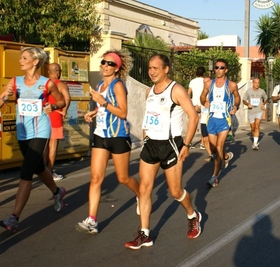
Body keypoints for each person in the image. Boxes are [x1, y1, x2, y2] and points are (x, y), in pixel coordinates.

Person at [124, 54, 201, 250]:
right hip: (151, 145)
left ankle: (193, 215)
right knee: (144, 189)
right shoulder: (149, 91)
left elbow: (193, 117)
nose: (151, 71)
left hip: (171, 145)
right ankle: (145, 234)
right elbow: (149, 115)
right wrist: (145, 135)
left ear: (166, 69)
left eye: (155, 68)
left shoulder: (176, 90)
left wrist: (187, 145)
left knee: (175, 191)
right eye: (150, 68)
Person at [0, 47, 66, 232]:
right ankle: (57, 191)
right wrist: (5, 98)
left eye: (24, 58)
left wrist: (52, 107)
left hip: (41, 130)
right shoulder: (16, 82)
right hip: (23, 131)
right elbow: (1, 98)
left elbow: (61, 101)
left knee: (26, 171)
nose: (20, 60)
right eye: (21, 57)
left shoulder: (47, 84)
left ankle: (14, 218)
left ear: (35, 61)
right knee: (38, 168)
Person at [76, 49, 140, 234]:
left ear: (117, 68)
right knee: (95, 178)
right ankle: (92, 220)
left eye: (110, 63)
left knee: (123, 178)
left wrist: (102, 102)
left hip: (118, 136)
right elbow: (104, 108)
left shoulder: (118, 85)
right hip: (101, 135)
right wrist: (94, 112)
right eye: (104, 62)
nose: (105, 66)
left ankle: (140, 194)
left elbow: (122, 112)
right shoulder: (99, 85)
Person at [200, 59, 241, 187]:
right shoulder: (209, 84)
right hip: (211, 119)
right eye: (216, 67)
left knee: (218, 147)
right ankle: (226, 156)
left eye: (221, 68)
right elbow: (202, 96)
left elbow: (237, 97)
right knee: (213, 149)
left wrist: (236, 106)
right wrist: (204, 102)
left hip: (224, 120)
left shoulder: (232, 85)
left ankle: (214, 177)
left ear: (226, 70)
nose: (218, 70)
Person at [45, 63, 71, 180]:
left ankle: (43, 171)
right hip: (55, 116)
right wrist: (64, 111)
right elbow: (67, 98)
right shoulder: (60, 84)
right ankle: (50, 171)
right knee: (53, 145)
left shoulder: (44, 84)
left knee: (44, 145)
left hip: (44, 116)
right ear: (57, 72)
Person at [242, 77, 267, 150]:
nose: (257, 84)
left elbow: (265, 98)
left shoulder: (262, 91)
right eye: (255, 82)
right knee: (253, 128)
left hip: (259, 110)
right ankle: (255, 138)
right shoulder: (248, 91)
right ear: (253, 83)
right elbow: (243, 100)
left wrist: (263, 103)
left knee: (257, 125)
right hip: (251, 111)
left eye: (258, 83)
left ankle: (255, 143)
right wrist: (247, 104)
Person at [187, 66, 206, 149]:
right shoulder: (205, 82)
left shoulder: (192, 81)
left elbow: (188, 93)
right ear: (204, 73)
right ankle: (202, 143)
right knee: (203, 123)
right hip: (203, 104)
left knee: (192, 124)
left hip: (194, 105)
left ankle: (189, 142)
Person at [200, 76, 214, 162]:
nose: (205, 83)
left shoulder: (214, 93)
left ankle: (219, 153)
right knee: (205, 139)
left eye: (207, 81)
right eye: (204, 82)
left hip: (212, 120)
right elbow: (199, 106)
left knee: (213, 139)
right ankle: (211, 154)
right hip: (203, 120)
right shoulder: (202, 94)